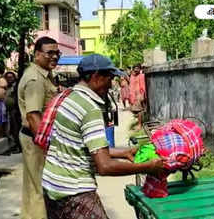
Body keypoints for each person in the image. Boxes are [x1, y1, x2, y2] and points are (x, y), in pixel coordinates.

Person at [42, 54, 166, 219]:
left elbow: (78, 145)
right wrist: (148, 166)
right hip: (74, 191)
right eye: (110, 78)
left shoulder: (67, 97)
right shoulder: (89, 109)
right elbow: (105, 166)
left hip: (52, 184)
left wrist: (123, 152)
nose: (111, 84)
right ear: (96, 77)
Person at [17, 36, 59, 219]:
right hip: (36, 140)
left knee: (33, 186)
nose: (55, 57)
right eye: (50, 53)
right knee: (39, 188)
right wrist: (47, 146)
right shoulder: (35, 79)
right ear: (37, 55)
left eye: (57, 53)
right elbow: (34, 117)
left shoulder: (44, 75)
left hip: (34, 139)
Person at [4, 71, 21, 153]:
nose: (9, 79)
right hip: (9, 110)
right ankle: (14, 145)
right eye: (8, 77)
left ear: (14, 78)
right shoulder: (8, 87)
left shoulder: (16, 86)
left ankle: (19, 147)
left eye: (11, 77)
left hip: (15, 110)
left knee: (16, 129)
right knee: (11, 130)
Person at [129, 64, 146, 130]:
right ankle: (140, 123)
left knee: (139, 110)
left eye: (137, 68)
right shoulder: (133, 76)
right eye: (135, 68)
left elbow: (143, 86)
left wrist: (142, 95)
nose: (136, 70)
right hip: (134, 95)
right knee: (136, 110)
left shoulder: (141, 76)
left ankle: (139, 125)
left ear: (140, 69)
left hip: (139, 94)